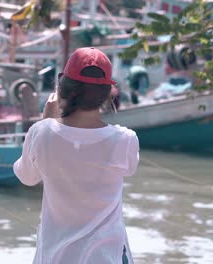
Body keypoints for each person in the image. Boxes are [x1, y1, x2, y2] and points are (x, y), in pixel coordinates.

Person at [13, 47, 139, 264]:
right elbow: (129, 168)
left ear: (62, 89)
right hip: (106, 257)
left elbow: (27, 176)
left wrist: (46, 121)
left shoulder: (41, 133)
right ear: (108, 94)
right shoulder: (124, 140)